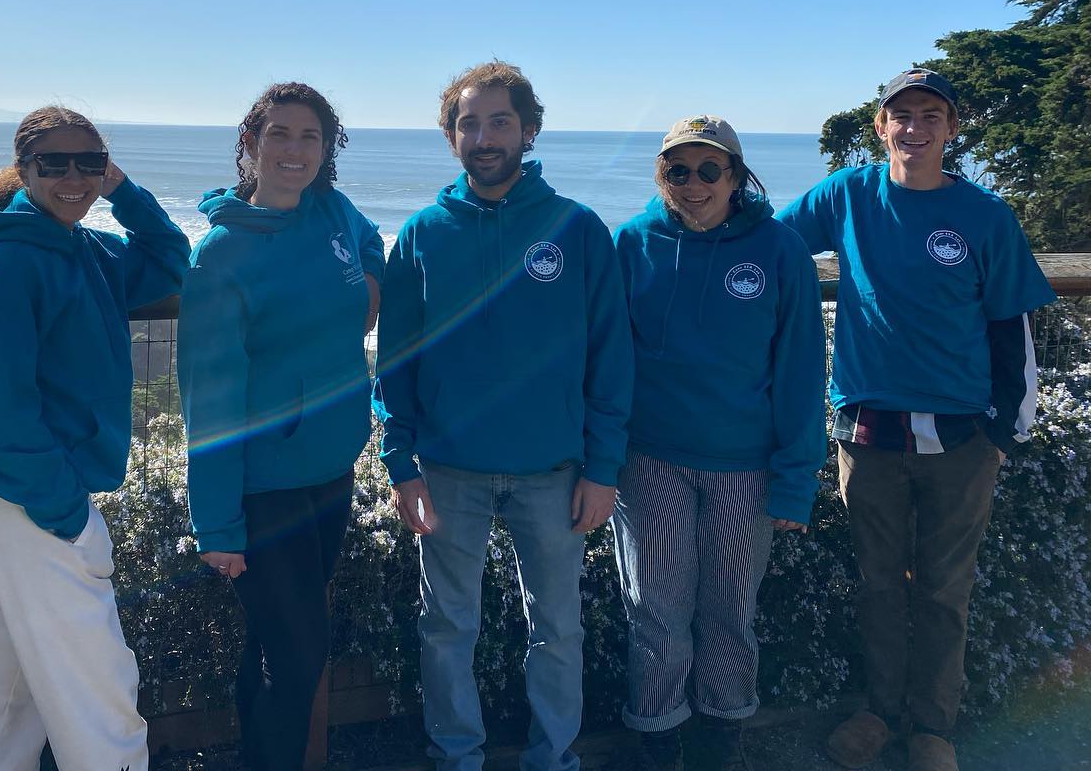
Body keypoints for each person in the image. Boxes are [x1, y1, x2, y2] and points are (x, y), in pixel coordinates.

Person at [778, 69, 1054, 771]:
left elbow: (1010, 328)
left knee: (942, 589)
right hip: (869, 435)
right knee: (876, 583)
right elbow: (769, 242)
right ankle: (879, 711)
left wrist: (1002, 434)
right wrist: (675, 229)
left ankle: (933, 727)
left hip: (962, 438)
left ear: (951, 129)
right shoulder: (847, 194)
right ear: (881, 126)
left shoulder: (985, 214)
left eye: (931, 115)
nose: (915, 127)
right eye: (901, 114)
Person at [374, 61, 634, 771]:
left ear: (528, 130)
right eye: (468, 123)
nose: (483, 137)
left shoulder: (576, 229)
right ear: (451, 136)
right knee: (445, 629)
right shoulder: (424, 233)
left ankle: (553, 760)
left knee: (558, 630)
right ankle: (457, 759)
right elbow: (395, 361)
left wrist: (603, 468)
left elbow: (610, 359)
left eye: (498, 122)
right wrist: (401, 465)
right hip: (447, 472)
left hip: (553, 473)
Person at [0, 106, 190, 771]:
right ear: (25, 171)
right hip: (32, 497)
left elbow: (170, 263)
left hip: (19, 492)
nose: (75, 177)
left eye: (90, 162)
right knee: (99, 687)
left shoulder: (86, 250)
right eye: (55, 163)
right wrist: (67, 515)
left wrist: (124, 191)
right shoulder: (7, 267)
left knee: (10, 682)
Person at [177, 81, 385, 771]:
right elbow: (208, 397)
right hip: (264, 487)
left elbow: (372, 253)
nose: (294, 150)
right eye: (279, 135)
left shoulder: (333, 213)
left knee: (273, 648)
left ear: (327, 151)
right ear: (250, 144)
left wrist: (369, 300)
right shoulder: (221, 255)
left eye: (310, 137)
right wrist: (217, 525)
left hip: (330, 471)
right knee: (299, 658)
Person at [610, 115, 827, 771]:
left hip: (745, 469)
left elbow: (798, 372)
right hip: (650, 460)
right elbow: (606, 361)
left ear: (736, 175)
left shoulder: (780, 250)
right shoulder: (632, 242)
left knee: (730, 611)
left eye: (711, 169)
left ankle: (721, 734)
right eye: (680, 170)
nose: (695, 183)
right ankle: (656, 736)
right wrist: (598, 458)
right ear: (662, 175)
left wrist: (795, 478)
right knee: (654, 606)